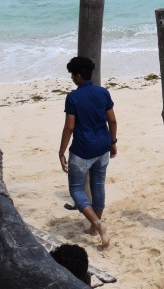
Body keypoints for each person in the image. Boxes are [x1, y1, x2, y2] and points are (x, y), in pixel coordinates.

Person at [58, 56, 117, 248]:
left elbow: (69, 127)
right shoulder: (103, 93)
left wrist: (61, 151)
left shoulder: (73, 97)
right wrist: (113, 142)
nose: (72, 79)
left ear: (78, 76)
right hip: (102, 147)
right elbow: (113, 121)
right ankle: (94, 228)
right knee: (98, 185)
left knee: (76, 190)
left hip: (83, 150)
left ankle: (97, 224)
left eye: (73, 76)